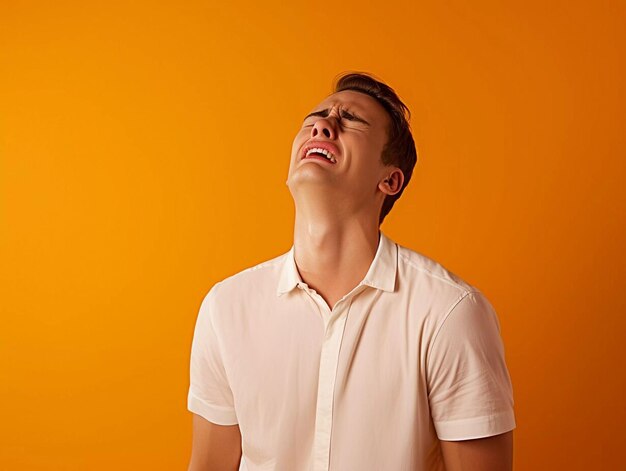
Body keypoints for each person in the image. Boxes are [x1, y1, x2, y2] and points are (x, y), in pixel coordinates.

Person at [187, 72, 516, 471]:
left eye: (351, 120)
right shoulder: (227, 309)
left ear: (390, 179)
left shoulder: (448, 313)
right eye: (316, 117)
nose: (322, 125)